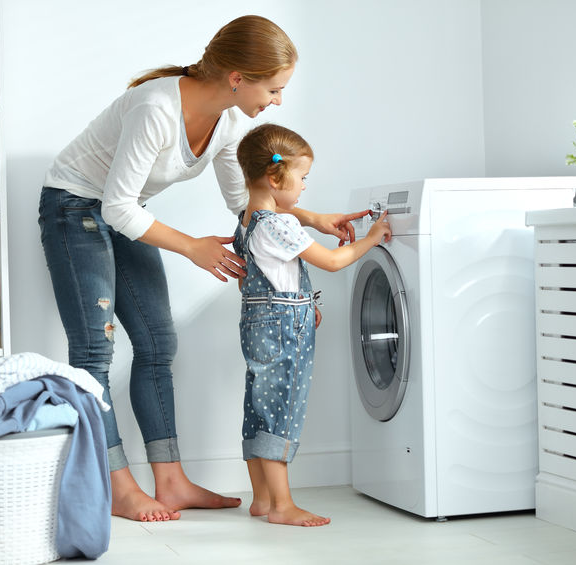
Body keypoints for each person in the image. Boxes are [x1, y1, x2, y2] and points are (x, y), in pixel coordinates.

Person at [38, 15, 367, 523]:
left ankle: (169, 482)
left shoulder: (231, 121)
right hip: (75, 205)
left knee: (156, 344)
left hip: (123, 210)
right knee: (94, 348)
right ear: (238, 78)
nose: (278, 101)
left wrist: (311, 217)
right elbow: (117, 207)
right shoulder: (156, 107)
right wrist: (192, 246)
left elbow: (247, 202)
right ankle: (117, 484)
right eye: (274, 89)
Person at [233, 123, 392, 527]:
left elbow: (266, 274)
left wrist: (302, 302)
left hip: (260, 317)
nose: (304, 187)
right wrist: (373, 238)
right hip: (284, 323)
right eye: (302, 177)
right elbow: (334, 261)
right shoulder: (278, 224)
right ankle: (283, 506)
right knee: (282, 407)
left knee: (259, 405)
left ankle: (262, 500)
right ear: (274, 176)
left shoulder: (247, 218)